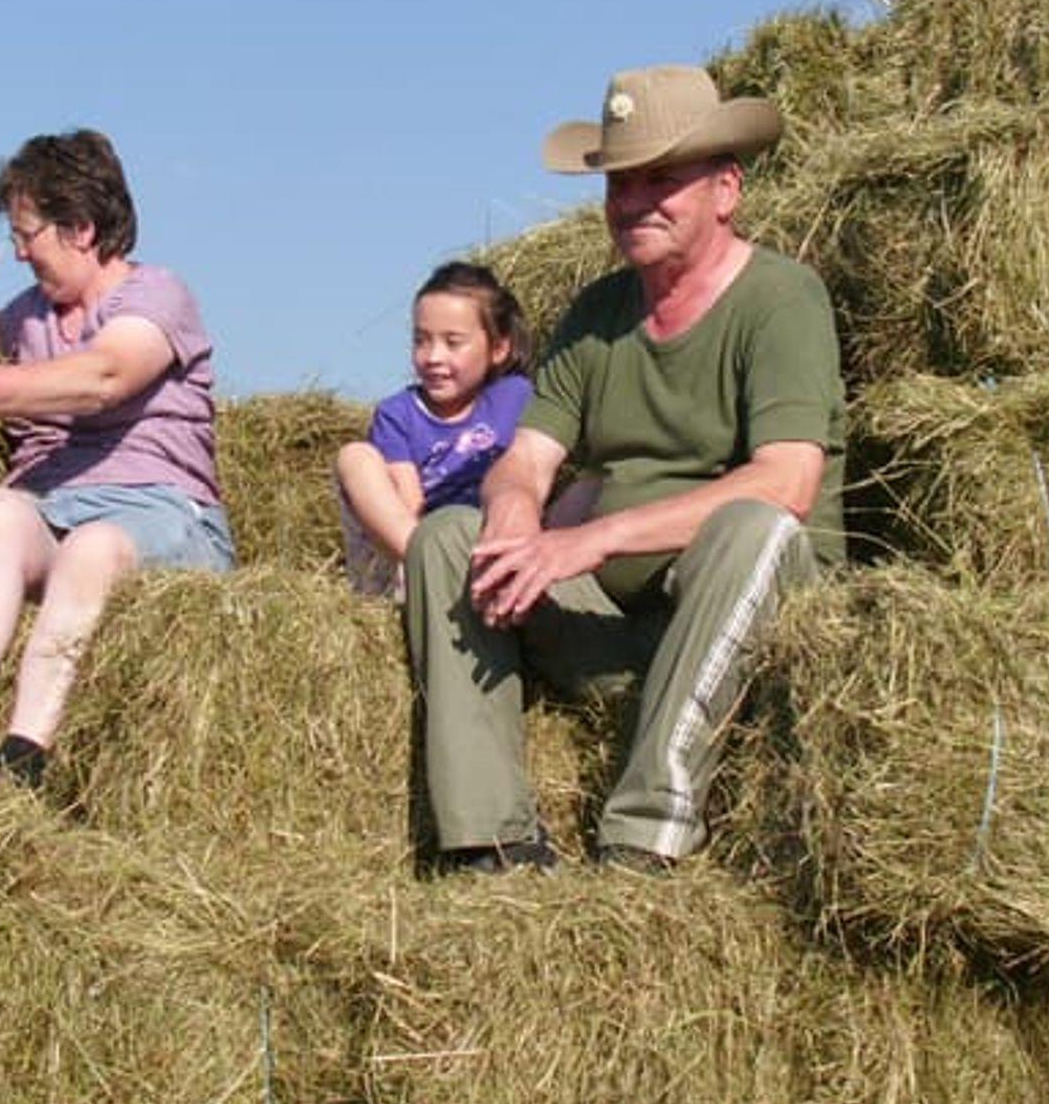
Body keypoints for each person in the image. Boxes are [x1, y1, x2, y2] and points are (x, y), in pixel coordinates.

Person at [406, 64, 845, 873]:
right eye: (620, 183)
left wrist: (593, 539)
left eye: (661, 180)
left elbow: (788, 481)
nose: (634, 202)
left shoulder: (782, 299)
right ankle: (492, 843)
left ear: (726, 189)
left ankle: (644, 839)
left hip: (749, 622)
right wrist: (514, 514)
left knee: (754, 529)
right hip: (619, 628)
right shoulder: (597, 314)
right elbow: (525, 457)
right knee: (448, 536)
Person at [0, 129, 234, 786]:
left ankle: (22, 761)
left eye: (28, 235)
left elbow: (106, 375)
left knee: (93, 547)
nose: (19, 252)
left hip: (164, 515)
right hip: (54, 509)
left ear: (81, 228)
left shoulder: (156, 296)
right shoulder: (27, 318)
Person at [334, 261, 533, 597]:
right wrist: (429, 554)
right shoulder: (397, 414)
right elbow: (409, 502)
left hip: (490, 543)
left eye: (453, 342)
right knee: (354, 456)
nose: (432, 357)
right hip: (408, 555)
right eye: (421, 341)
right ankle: (435, 571)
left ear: (499, 348)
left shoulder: (516, 397)